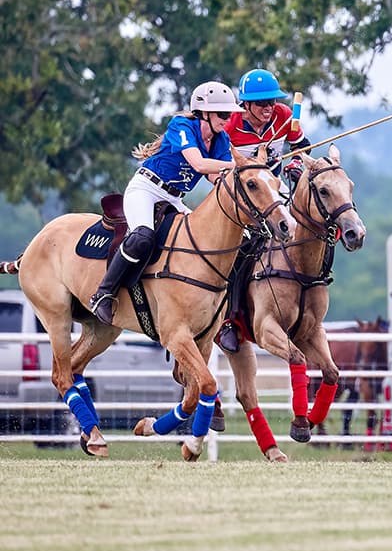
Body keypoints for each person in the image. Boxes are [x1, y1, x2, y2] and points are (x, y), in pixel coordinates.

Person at [90, 81, 242, 325]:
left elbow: (215, 178)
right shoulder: (182, 126)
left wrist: (253, 174)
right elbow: (199, 164)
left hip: (173, 197)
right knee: (141, 237)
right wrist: (239, 164)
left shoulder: (221, 140)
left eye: (230, 114)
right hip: (146, 189)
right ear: (204, 112)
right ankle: (103, 294)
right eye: (223, 114)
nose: (228, 120)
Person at [216, 68, 313, 352]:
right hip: (240, 195)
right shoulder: (230, 125)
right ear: (245, 105)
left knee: (304, 228)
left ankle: (307, 296)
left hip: (273, 191)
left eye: (271, 102)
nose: (268, 108)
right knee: (240, 247)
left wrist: (296, 164)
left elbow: (301, 149)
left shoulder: (285, 116)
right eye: (261, 103)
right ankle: (230, 320)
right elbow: (219, 167)